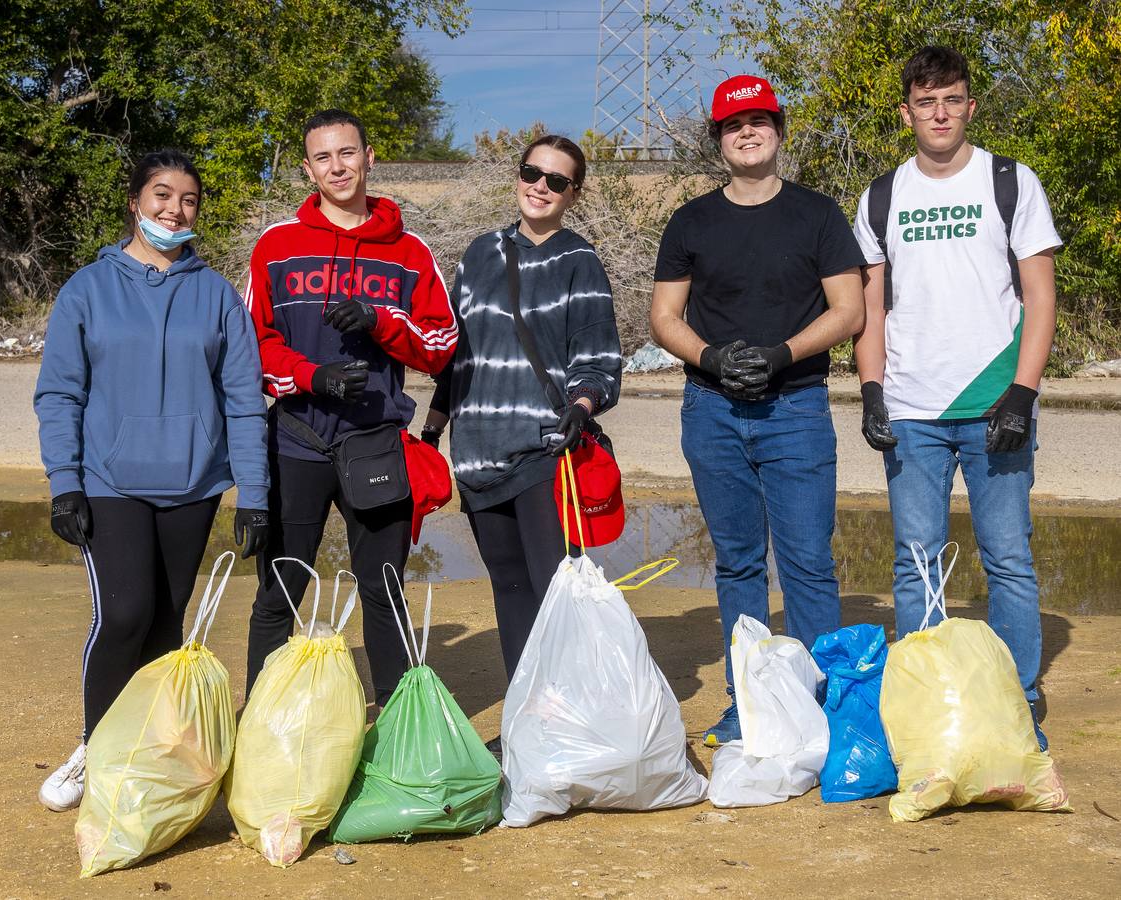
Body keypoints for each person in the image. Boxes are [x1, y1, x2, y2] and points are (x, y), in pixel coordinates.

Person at [32, 149, 270, 811]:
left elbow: (244, 400)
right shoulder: (87, 288)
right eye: (162, 195)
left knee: (167, 625)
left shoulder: (216, 295)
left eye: (188, 199)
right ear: (135, 202)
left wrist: (253, 494)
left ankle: (150, 758)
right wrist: (66, 483)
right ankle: (96, 750)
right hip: (110, 480)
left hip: (193, 483)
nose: (175, 209)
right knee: (126, 612)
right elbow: (58, 395)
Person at [852, 47, 1061, 750]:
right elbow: (870, 309)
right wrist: (871, 389)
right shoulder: (881, 196)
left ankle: (1017, 693)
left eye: (951, 100)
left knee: (1007, 556)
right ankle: (924, 693)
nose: (938, 113)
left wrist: (1022, 393)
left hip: (995, 401)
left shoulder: (1009, 181)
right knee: (915, 560)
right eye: (924, 101)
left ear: (969, 107)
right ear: (905, 111)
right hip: (912, 411)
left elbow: (1038, 294)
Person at [649, 75, 865, 746]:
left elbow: (848, 309)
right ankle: (747, 700)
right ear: (717, 139)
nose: (746, 132)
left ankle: (820, 703)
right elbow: (663, 316)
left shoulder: (817, 214)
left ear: (778, 130)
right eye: (732, 124)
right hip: (711, 409)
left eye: (759, 121)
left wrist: (780, 354)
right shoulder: (690, 220)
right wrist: (711, 358)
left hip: (794, 406)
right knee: (737, 560)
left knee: (806, 559)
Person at [243, 109, 456, 711]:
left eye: (347, 153)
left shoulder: (410, 252)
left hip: (374, 442)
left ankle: (394, 725)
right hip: (296, 438)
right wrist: (312, 376)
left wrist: (382, 322)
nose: (338, 167)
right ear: (308, 169)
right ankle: (265, 721)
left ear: (370, 158)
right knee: (279, 590)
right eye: (323, 157)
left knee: (384, 592)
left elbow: (443, 347)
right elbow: (251, 344)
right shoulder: (278, 246)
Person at [422, 135, 621, 712]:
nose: (541, 186)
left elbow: (598, 356)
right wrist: (432, 431)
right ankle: (529, 717)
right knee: (508, 591)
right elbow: (456, 354)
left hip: (544, 450)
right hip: (477, 454)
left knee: (558, 593)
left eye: (557, 180)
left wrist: (581, 409)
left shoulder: (578, 258)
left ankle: (577, 719)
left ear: (573, 194)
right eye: (532, 172)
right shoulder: (479, 254)